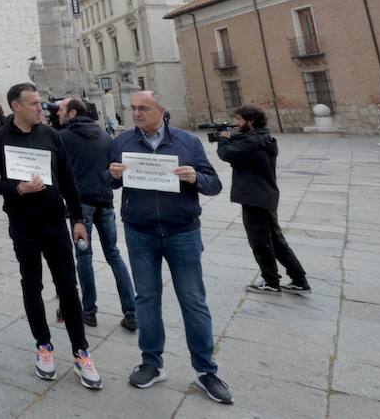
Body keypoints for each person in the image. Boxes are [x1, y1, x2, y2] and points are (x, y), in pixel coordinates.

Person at [108, 90, 232, 405]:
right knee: (146, 299)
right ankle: (151, 362)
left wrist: (195, 178)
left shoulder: (187, 142)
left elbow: (214, 183)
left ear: (161, 110)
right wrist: (110, 176)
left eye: (143, 108)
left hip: (182, 232)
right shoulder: (122, 143)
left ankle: (206, 370)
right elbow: (106, 182)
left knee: (193, 300)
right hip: (140, 232)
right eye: (133, 108)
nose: (136, 113)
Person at [0, 84, 101, 389]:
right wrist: (17, 189)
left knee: (67, 286)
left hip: (54, 222)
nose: (41, 108)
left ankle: (81, 352)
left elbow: (68, 178)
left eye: (40, 103)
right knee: (31, 284)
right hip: (23, 224)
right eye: (34, 103)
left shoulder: (52, 136)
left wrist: (77, 218)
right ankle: (44, 346)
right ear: (16, 106)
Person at [56, 97, 137, 331]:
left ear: (72, 113)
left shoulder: (64, 138)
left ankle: (89, 311)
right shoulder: (104, 135)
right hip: (105, 202)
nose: (57, 113)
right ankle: (130, 311)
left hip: (82, 206)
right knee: (113, 253)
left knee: (84, 256)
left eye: (61, 109)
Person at [215, 106, 310, 294]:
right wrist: (230, 137)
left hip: (255, 197)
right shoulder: (262, 138)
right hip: (263, 195)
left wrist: (223, 139)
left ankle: (271, 281)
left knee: (260, 242)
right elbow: (241, 147)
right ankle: (299, 279)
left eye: (240, 120)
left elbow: (228, 154)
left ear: (251, 121)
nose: (237, 124)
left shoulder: (254, 142)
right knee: (275, 241)